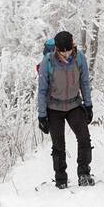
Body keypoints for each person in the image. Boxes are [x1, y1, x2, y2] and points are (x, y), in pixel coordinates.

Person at [36, 30, 94, 188]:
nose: (66, 54)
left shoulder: (79, 58)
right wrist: (42, 116)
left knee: (84, 138)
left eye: (68, 50)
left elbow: (84, 82)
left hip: (74, 105)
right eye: (62, 51)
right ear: (56, 49)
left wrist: (88, 105)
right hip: (54, 107)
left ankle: (84, 174)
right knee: (58, 145)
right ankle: (61, 179)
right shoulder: (47, 62)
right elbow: (41, 90)